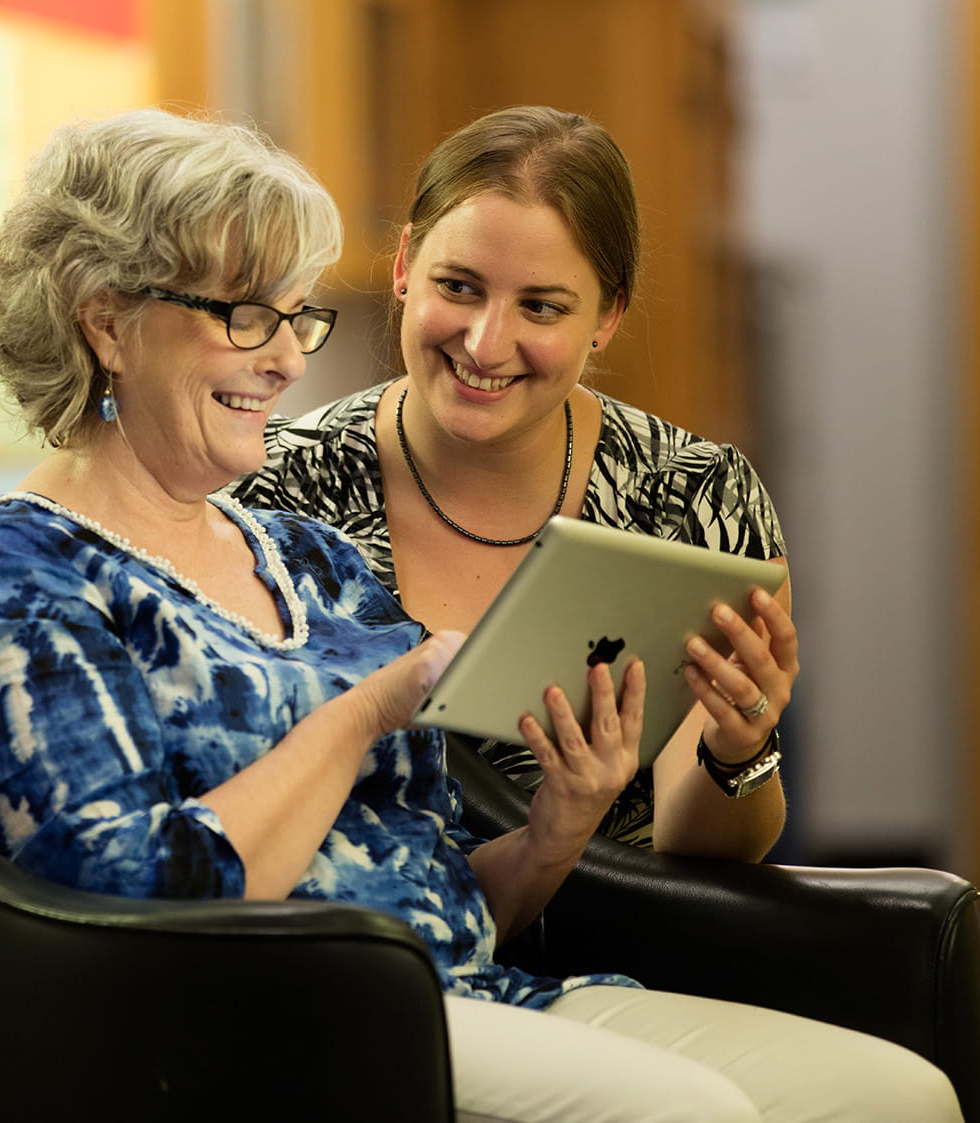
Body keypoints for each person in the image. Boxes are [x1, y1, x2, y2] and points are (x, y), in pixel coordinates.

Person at [0, 108, 959, 1122]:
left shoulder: (299, 554)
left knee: (892, 1093)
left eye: (292, 314)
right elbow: (130, 909)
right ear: (107, 323)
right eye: (244, 314)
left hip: (472, 984)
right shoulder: (14, 584)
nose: (289, 356)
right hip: (283, 1032)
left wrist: (553, 829)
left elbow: (432, 886)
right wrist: (361, 715)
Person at [232, 105, 791, 859]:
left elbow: (705, 871)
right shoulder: (269, 488)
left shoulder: (696, 500)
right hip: (358, 950)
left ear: (608, 315)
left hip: (611, 958)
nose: (487, 344)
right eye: (458, 286)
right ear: (404, 266)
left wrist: (738, 750)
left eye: (540, 306)